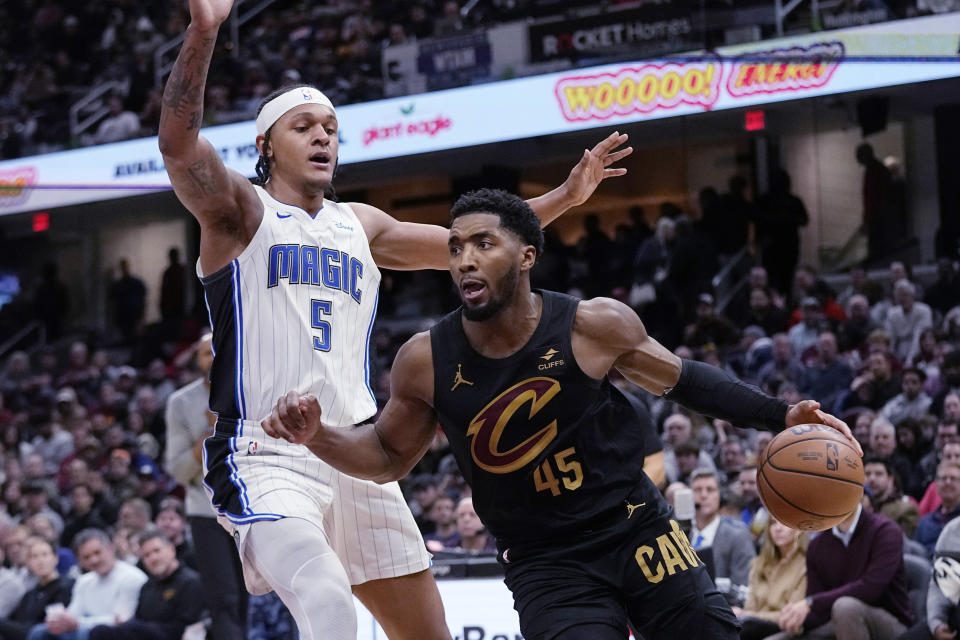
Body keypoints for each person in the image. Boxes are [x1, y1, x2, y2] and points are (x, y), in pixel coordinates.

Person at [157, 2, 632, 638]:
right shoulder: (241, 214)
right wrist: (204, 31)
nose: (324, 135)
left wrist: (564, 199)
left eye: (330, 126)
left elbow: (472, 245)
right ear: (267, 145)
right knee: (325, 599)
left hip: (356, 448)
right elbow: (179, 146)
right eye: (304, 126)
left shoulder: (362, 223)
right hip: (265, 449)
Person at [263, 188, 860, 640]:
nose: (465, 260)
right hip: (546, 561)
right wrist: (318, 436)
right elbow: (388, 456)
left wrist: (781, 414)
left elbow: (686, 382)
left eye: (483, 244)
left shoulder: (594, 325)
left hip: (636, 528)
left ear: (526, 256)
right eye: (455, 248)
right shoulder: (425, 360)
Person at [163, 332, 246, 640]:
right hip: (206, 511)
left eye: (216, 351)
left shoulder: (253, 391)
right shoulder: (180, 403)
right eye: (204, 354)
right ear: (197, 361)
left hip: (254, 506)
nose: (211, 357)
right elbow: (179, 470)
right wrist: (212, 432)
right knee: (224, 599)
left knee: (262, 594)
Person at [771, 500, 913, 640]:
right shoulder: (817, 545)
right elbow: (819, 610)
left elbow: (870, 588)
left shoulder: (886, 531)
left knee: (845, 608)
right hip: (838, 622)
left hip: (891, 624)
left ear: (858, 493)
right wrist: (798, 621)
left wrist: (811, 603)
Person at [26, 529, 147, 640]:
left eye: (97, 553)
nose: (93, 560)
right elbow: (73, 614)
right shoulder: (84, 581)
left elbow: (120, 620)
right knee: (39, 631)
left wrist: (78, 623)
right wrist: (59, 621)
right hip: (85, 630)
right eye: (86, 557)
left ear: (110, 549)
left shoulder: (131, 577)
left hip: (116, 634)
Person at [87, 529, 204, 640]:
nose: (153, 558)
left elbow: (185, 627)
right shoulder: (148, 586)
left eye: (157, 551)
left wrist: (137, 628)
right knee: (99, 631)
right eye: (146, 555)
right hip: (143, 634)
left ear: (171, 550)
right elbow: (139, 619)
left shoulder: (191, 582)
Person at [733, 520, 808, 640]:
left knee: (744, 627)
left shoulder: (805, 565)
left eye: (784, 523)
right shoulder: (759, 564)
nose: (778, 529)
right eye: (773, 523)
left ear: (799, 529)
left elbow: (792, 616)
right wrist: (744, 613)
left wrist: (750, 615)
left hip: (784, 627)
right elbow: (750, 607)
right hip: (751, 624)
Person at [0, 537, 74, 640]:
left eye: (45, 554)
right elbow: (16, 623)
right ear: (28, 563)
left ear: (55, 558)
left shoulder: (66, 586)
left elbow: (52, 625)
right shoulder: (29, 594)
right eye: (34, 557)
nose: (40, 561)